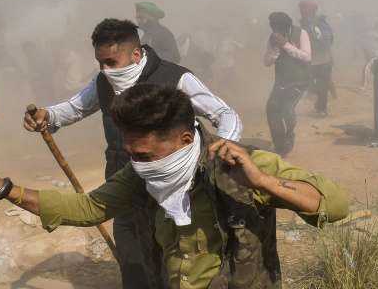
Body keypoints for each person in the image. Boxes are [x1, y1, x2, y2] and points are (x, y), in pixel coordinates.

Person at [0, 83, 349, 289]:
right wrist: (6, 188)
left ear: (184, 140)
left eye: (145, 154)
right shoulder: (140, 177)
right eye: (130, 154)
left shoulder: (238, 164)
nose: (136, 164)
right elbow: (88, 209)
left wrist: (262, 182)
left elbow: (333, 204)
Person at [23, 19, 242, 289]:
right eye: (100, 62)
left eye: (112, 62)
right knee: (132, 252)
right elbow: (77, 107)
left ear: (136, 54)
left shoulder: (174, 78)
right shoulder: (104, 82)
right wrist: (50, 115)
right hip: (124, 177)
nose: (105, 69)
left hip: (171, 182)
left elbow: (224, 114)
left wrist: (223, 146)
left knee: (173, 252)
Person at [263, 11, 311, 156]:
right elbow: (266, 62)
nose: (276, 31)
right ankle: (280, 145)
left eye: (279, 28)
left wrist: (286, 45)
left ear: (286, 26)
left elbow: (307, 57)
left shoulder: (301, 33)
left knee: (286, 108)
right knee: (271, 108)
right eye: (274, 28)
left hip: (299, 80)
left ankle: (289, 135)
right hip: (281, 81)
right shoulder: (273, 38)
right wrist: (275, 50)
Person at [299, 1, 334, 117]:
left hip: (321, 60)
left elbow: (324, 40)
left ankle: (321, 108)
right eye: (301, 9)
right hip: (313, 59)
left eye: (304, 9)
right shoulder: (307, 23)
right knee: (310, 83)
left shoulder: (317, 24)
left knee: (321, 85)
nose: (301, 11)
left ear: (312, 10)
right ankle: (320, 104)